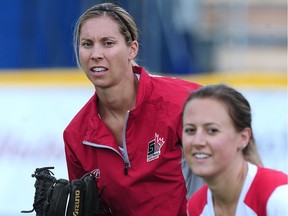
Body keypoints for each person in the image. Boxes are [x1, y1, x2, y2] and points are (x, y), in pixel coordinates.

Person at [63, 2, 203, 215]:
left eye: (108, 43)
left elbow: (231, 174)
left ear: (132, 49)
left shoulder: (186, 102)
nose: (96, 54)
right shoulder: (76, 136)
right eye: (87, 44)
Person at [182, 84, 288, 216]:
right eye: (190, 130)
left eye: (212, 130)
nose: (197, 141)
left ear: (243, 138)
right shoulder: (196, 206)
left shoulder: (278, 197)